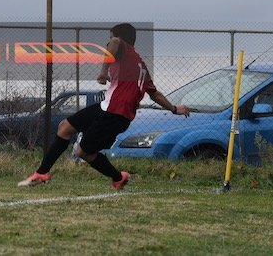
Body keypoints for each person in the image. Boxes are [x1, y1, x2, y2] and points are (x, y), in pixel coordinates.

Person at [18, 22, 191, 189]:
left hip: (115, 113)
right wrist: (175, 109)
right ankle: (42, 173)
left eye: (110, 39)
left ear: (120, 38)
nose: (108, 45)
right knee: (65, 127)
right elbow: (155, 94)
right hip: (108, 107)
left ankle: (118, 177)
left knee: (83, 152)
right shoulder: (141, 65)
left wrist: (103, 72)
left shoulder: (120, 45)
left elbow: (115, 43)